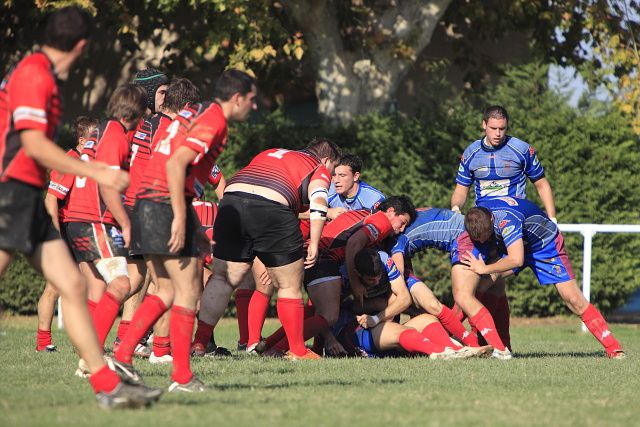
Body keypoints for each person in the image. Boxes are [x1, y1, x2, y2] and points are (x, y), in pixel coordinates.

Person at [0, 6, 161, 408]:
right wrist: (102, 175)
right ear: (83, 46)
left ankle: (107, 386)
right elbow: (33, 144)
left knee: (72, 286)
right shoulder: (34, 75)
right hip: (9, 191)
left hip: (24, 193)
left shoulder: (42, 74)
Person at [112, 69, 257, 392]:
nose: (254, 106)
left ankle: (122, 354)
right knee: (188, 293)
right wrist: (180, 217)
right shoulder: (214, 119)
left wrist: (195, 229)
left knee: (164, 290)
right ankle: (181, 376)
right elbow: (176, 163)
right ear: (237, 98)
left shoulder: (195, 113)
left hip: (148, 204)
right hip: (165, 205)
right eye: (252, 99)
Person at [196, 138, 341, 361]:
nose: (331, 176)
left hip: (231, 201)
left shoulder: (271, 152)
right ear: (326, 160)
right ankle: (297, 350)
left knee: (223, 279)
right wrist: (314, 240)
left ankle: (200, 343)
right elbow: (319, 201)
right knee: (289, 284)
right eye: (333, 170)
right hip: (272, 206)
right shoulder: (317, 166)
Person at [462, 199, 625, 359]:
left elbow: (516, 259)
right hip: (516, 245)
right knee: (479, 285)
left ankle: (614, 349)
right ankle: (485, 345)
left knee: (573, 299)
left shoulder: (507, 220)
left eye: (485, 236)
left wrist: (484, 268)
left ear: (491, 219)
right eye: (479, 239)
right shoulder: (477, 216)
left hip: (545, 246)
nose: (483, 241)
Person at [450, 105, 557, 349]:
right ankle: (488, 343)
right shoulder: (471, 153)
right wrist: (457, 208)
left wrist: (552, 218)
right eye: (493, 128)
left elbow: (541, 184)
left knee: (490, 283)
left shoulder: (521, 149)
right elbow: (460, 190)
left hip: (510, 226)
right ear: (483, 125)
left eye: (502, 128)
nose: (498, 133)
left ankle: (486, 343)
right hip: (483, 229)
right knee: (483, 283)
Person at [114, 77, 201, 364]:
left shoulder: (144, 125)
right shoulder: (170, 128)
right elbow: (171, 168)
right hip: (152, 205)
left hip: (135, 204)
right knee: (164, 284)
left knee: (141, 280)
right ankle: (158, 349)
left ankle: (124, 343)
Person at [62, 84, 147, 355]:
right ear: (135, 111)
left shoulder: (103, 132)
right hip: (93, 219)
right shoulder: (115, 135)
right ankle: (92, 352)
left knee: (127, 279)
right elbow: (108, 187)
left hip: (85, 218)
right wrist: (126, 223)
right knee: (122, 283)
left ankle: (92, 347)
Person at [294, 196, 416, 355]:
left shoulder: (369, 216)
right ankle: (284, 346)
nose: (401, 229)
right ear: (391, 212)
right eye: (403, 223)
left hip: (317, 254)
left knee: (324, 311)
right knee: (329, 315)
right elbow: (353, 244)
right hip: (322, 256)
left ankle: (283, 346)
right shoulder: (381, 221)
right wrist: (356, 284)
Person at [388, 207, 498, 348]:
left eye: (404, 223)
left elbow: (399, 275)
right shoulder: (403, 228)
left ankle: (486, 346)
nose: (402, 228)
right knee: (464, 298)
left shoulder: (398, 237)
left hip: (467, 236)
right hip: (468, 231)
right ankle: (465, 342)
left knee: (461, 299)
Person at [37, 116, 99, 353]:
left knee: (87, 284)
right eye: (94, 136)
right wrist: (56, 237)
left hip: (78, 229)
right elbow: (51, 199)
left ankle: (86, 339)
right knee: (54, 287)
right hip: (64, 230)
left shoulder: (87, 161)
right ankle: (43, 343)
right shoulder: (70, 161)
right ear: (82, 140)